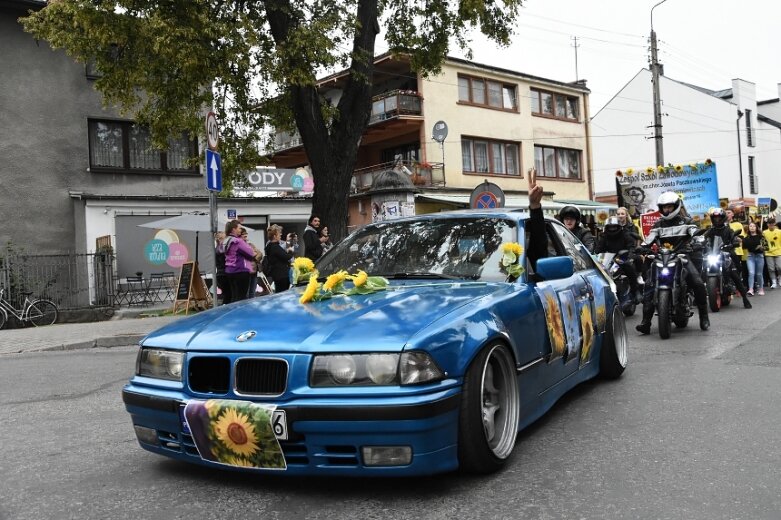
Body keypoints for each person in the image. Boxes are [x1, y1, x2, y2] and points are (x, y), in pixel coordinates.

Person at [635, 191, 710, 334]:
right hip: (663, 257)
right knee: (649, 284)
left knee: (698, 283)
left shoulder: (687, 222)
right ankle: (646, 322)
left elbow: (695, 233)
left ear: (676, 206)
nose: (666, 210)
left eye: (669, 207)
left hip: (682, 256)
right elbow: (649, 239)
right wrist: (642, 248)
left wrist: (699, 241)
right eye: (664, 207)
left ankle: (704, 316)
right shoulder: (658, 225)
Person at [703, 208, 751, 309]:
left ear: (723, 218)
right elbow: (703, 238)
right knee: (701, 270)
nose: (717, 220)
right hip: (714, 254)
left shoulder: (728, 230)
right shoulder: (710, 230)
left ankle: (745, 298)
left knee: (735, 276)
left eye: (718, 217)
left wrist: (734, 243)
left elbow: (734, 238)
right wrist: (699, 242)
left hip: (726, 254)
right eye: (715, 218)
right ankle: (698, 295)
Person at [595, 216, 642, 303]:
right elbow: (598, 249)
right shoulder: (604, 236)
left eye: (614, 227)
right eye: (610, 227)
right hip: (608, 260)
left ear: (619, 227)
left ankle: (635, 291)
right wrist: (595, 255)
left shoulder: (625, 234)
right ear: (606, 228)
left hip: (622, 258)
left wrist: (629, 253)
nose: (612, 229)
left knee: (629, 268)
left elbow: (631, 246)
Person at [222, 219, 256, 303]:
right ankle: (241, 315)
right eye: (239, 228)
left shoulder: (226, 240)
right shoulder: (238, 241)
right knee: (241, 298)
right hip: (240, 270)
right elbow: (251, 253)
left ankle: (233, 314)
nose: (240, 230)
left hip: (229, 271)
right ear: (234, 229)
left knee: (234, 296)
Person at [265, 224, 294, 292]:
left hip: (278, 275)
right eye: (279, 234)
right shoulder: (274, 247)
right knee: (282, 293)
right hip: (281, 275)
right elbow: (287, 257)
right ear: (275, 236)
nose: (280, 235)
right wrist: (290, 251)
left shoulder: (270, 246)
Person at [742, 220, 765, 296]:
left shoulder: (761, 237)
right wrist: (741, 242)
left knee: (759, 274)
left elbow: (766, 247)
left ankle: (761, 288)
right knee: (751, 273)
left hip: (759, 256)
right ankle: (751, 289)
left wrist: (762, 247)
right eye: (750, 226)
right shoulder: (746, 238)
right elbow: (744, 247)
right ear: (748, 228)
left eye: (754, 226)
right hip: (750, 256)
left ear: (756, 228)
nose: (752, 227)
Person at [239, 227, 263, 298]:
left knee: (252, 292)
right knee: (246, 293)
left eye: (246, 236)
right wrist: (253, 254)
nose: (246, 238)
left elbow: (260, 254)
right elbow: (250, 254)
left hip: (254, 271)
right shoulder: (239, 245)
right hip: (246, 272)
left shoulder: (250, 245)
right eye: (244, 236)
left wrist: (254, 256)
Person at [763, 217, 781, 289]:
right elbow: (763, 242)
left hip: (778, 251)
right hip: (769, 253)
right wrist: (764, 250)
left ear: (774, 224)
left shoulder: (779, 232)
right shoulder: (764, 232)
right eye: (769, 224)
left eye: (772, 224)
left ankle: (779, 278)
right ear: (767, 224)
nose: (771, 225)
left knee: (779, 267)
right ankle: (773, 281)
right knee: (771, 269)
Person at [214, 231, 231, 304]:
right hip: (225, 274)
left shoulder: (217, 248)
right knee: (228, 295)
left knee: (227, 294)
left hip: (220, 274)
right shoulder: (221, 249)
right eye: (225, 238)